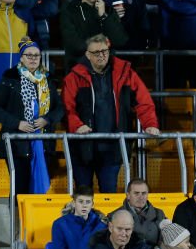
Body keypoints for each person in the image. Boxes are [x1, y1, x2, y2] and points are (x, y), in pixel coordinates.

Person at [63, 33, 160, 192]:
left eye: (104, 51)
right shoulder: (74, 77)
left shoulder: (125, 72)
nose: (101, 56)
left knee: (110, 195)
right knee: (83, 196)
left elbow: (144, 101)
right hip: (82, 147)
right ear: (87, 55)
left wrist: (149, 124)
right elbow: (67, 108)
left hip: (113, 147)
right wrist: (77, 125)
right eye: (96, 53)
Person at [0, 37, 64, 195]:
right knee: (20, 188)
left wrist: (47, 119)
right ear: (21, 58)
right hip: (17, 144)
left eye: (36, 55)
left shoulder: (47, 79)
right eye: (29, 55)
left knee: (39, 190)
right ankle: (17, 219)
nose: (33, 59)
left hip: (44, 143)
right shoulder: (10, 78)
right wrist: (17, 123)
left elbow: (60, 108)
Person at [62, 0, 130, 68]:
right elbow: (74, 44)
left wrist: (103, 16)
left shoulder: (108, 10)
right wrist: (101, 48)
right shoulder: (69, 11)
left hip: (107, 68)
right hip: (79, 67)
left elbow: (120, 40)